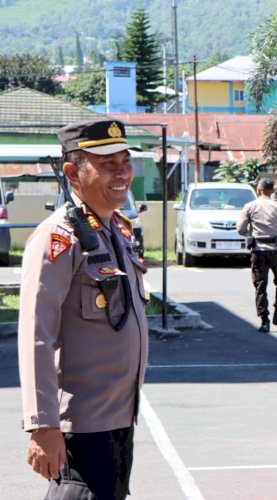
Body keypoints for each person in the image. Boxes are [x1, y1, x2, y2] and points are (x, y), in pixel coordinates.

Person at [18, 119, 149, 499]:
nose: (122, 172)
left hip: (120, 420)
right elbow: (35, 333)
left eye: (125, 161)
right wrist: (43, 425)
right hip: (81, 426)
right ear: (74, 173)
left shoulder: (116, 231)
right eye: (107, 163)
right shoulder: (58, 237)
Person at [237, 178, 277, 333]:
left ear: (258, 190)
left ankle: (264, 320)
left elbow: (240, 229)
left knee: (260, 285)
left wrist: (250, 233)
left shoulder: (249, 207)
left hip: (258, 251)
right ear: (272, 191)